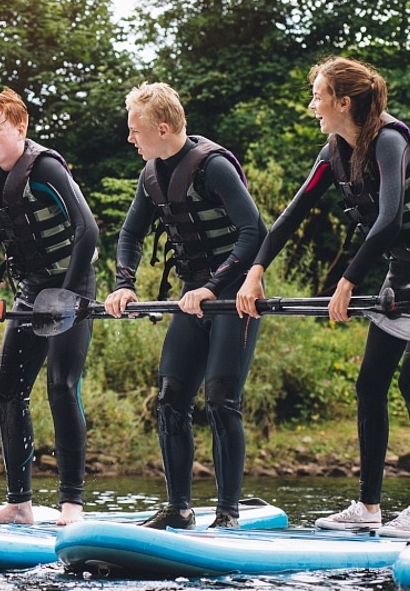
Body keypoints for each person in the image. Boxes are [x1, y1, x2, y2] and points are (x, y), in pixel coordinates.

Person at [237, 57, 410, 537]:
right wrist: (255, 272)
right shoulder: (332, 153)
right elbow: (290, 217)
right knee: (369, 383)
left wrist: (348, 280)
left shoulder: (390, 141)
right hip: (403, 269)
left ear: (343, 102)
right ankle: (368, 506)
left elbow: (390, 219)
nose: (311, 105)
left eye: (317, 96)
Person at [104, 83, 266, 530]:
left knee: (221, 402)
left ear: (162, 128)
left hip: (234, 295)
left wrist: (213, 287)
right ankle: (179, 509)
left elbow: (255, 233)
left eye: (135, 130)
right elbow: (130, 234)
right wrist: (124, 285)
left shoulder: (213, 167)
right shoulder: (151, 176)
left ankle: (228, 515)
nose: (130, 138)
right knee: (170, 400)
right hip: (192, 296)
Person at [0, 89, 99, 526]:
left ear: (20, 128)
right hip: (31, 292)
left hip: (72, 285)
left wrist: (67, 296)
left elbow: (88, 231)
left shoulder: (45, 168)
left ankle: (72, 507)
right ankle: (19, 505)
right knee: (8, 391)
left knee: (61, 386)